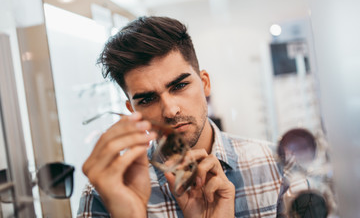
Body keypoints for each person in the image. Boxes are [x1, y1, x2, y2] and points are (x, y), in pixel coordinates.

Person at [77, 16, 285, 218]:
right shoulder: (104, 195)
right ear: (133, 110)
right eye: (148, 99)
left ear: (205, 83)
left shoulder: (277, 165)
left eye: (179, 86)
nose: (170, 110)